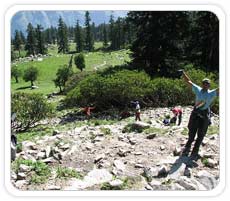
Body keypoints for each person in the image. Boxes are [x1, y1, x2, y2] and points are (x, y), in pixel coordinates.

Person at [181, 71, 219, 160]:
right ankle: (188, 146)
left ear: (209, 85)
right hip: (196, 112)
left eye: (207, 84)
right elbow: (188, 82)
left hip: (205, 113)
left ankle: (195, 150)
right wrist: (183, 73)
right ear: (202, 84)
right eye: (204, 83)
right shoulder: (197, 89)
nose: (206, 85)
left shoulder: (212, 93)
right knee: (192, 131)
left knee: (201, 134)